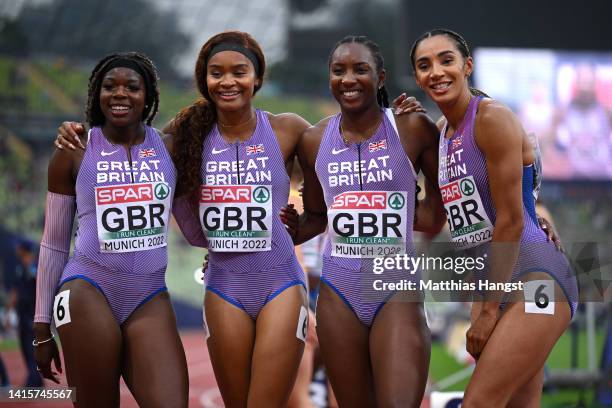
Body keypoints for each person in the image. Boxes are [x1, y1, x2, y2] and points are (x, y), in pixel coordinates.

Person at [410, 28, 579, 406]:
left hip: (538, 282)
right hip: (493, 282)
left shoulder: (492, 118)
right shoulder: (440, 133)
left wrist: (487, 312)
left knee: (478, 403)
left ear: (467, 66)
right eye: (425, 65)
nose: (436, 71)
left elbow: (512, 222)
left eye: (446, 60)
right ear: (418, 77)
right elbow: (435, 219)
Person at [287, 35, 445, 407]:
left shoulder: (413, 129)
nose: (348, 79)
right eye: (338, 70)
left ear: (381, 77)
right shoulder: (314, 139)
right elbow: (316, 218)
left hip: (395, 288)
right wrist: (293, 229)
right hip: (338, 294)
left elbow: (435, 214)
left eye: (360, 69)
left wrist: (402, 212)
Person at [34, 52, 188, 407]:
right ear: (96, 94)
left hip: (149, 293)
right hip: (88, 286)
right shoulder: (73, 150)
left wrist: (217, 251)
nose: (120, 94)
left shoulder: (169, 148)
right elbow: (54, 242)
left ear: (147, 97)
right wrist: (42, 327)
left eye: (131, 87)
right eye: (109, 86)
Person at [8, 239, 42, 387]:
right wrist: (10, 309)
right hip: (22, 313)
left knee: (31, 346)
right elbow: (15, 291)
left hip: (32, 312)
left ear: (24, 249)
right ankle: (33, 378)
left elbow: (40, 287)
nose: (16, 250)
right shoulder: (19, 267)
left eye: (19, 247)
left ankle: (34, 380)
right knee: (24, 346)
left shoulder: (34, 266)